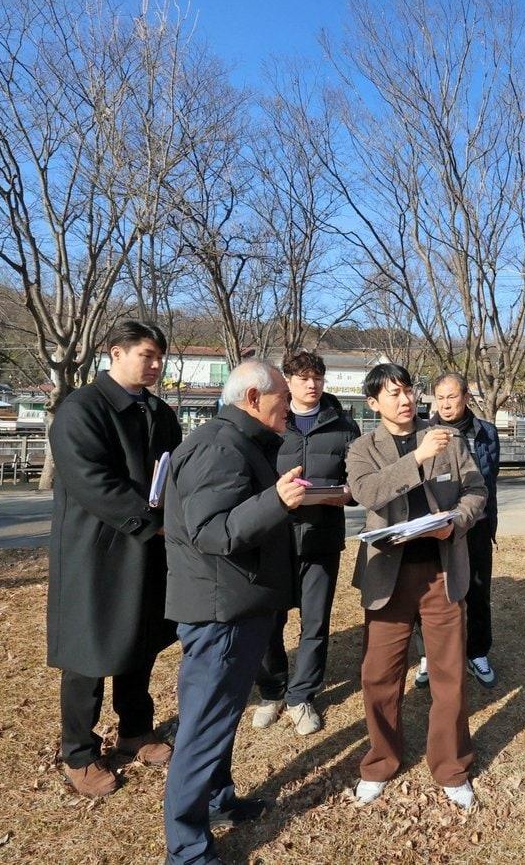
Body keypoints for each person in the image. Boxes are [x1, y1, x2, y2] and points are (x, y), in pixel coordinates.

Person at [161, 360, 308, 865]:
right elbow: (212, 532)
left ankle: (218, 801)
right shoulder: (219, 448)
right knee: (202, 730)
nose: (290, 406)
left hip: (236, 605)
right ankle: (187, 850)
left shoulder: (239, 442)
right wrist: (277, 501)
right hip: (221, 613)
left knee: (217, 721)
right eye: (283, 396)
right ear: (252, 398)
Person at [46, 320, 182, 799]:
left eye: (160, 357)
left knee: (139, 641)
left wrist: (176, 513)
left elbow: (175, 471)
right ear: (115, 353)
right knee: (86, 651)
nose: (156, 365)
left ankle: (135, 731)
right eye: (146, 355)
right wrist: (150, 521)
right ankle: (78, 753)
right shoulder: (82, 409)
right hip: (95, 550)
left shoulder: (159, 412)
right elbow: (90, 479)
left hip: (147, 547)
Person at [345, 363, 487, 810]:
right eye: (393, 394)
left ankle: (450, 766)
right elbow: (368, 493)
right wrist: (418, 458)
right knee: (380, 675)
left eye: (407, 390)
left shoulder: (450, 439)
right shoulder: (363, 448)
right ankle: (380, 761)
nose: (405, 400)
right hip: (387, 577)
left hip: (441, 573)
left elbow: (476, 491)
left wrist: (456, 522)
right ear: (374, 403)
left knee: (449, 675)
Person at [253, 351, 360, 735]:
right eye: (303, 378)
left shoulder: (343, 426)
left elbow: (358, 481)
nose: (311, 385)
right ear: (288, 382)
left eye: (317, 377)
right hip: (273, 537)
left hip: (321, 538)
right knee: (269, 619)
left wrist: (346, 494)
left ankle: (301, 696)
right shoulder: (270, 420)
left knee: (315, 621)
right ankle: (272, 691)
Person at [415, 372, 500, 689]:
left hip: (476, 525)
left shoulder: (486, 432)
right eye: (440, 398)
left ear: (466, 397)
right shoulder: (423, 432)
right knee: (430, 594)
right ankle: (428, 655)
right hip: (434, 526)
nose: (446, 404)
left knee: (478, 590)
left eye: (452, 397)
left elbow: (489, 480)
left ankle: (477, 652)